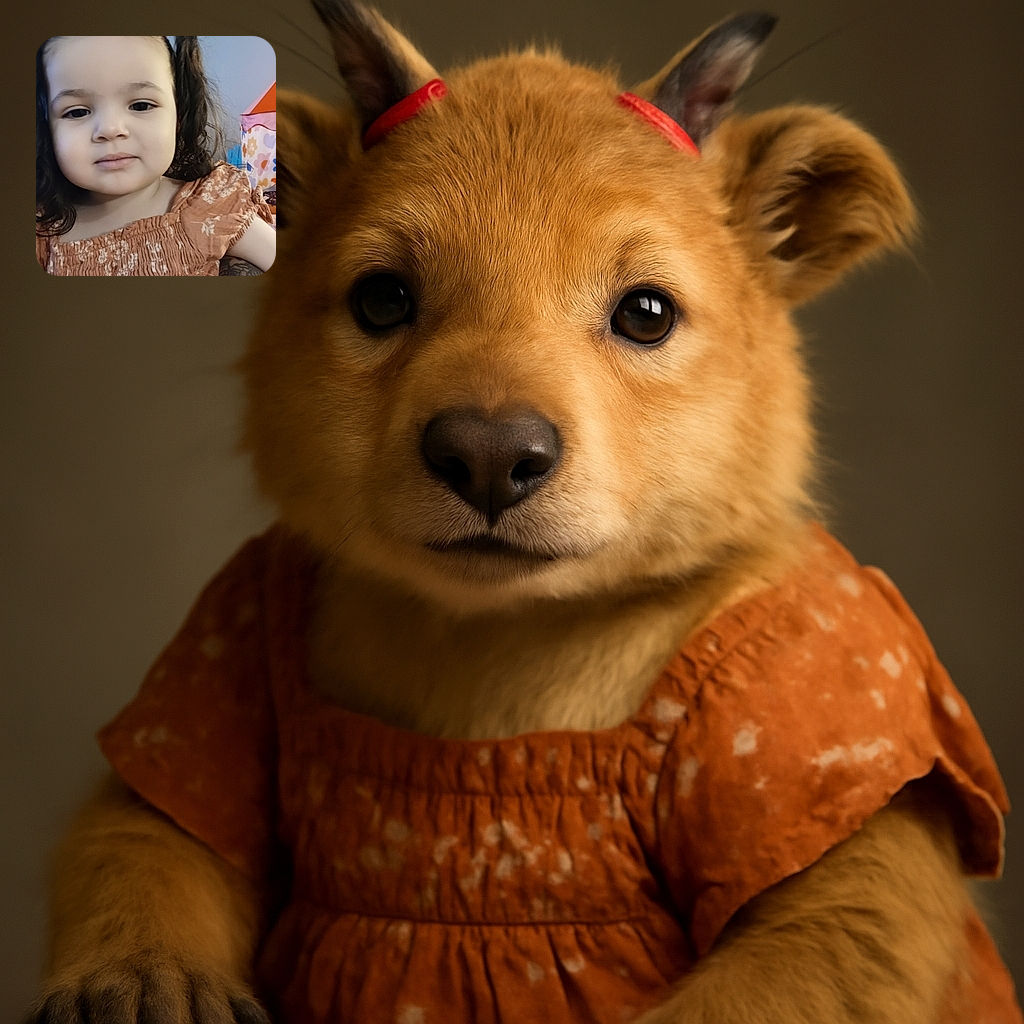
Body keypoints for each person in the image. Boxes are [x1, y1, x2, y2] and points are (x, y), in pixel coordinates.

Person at [36, 36, 276, 276]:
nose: (110, 129)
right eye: (77, 112)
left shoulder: (212, 206)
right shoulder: (42, 231)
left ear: (178, 117)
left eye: (141, 106)